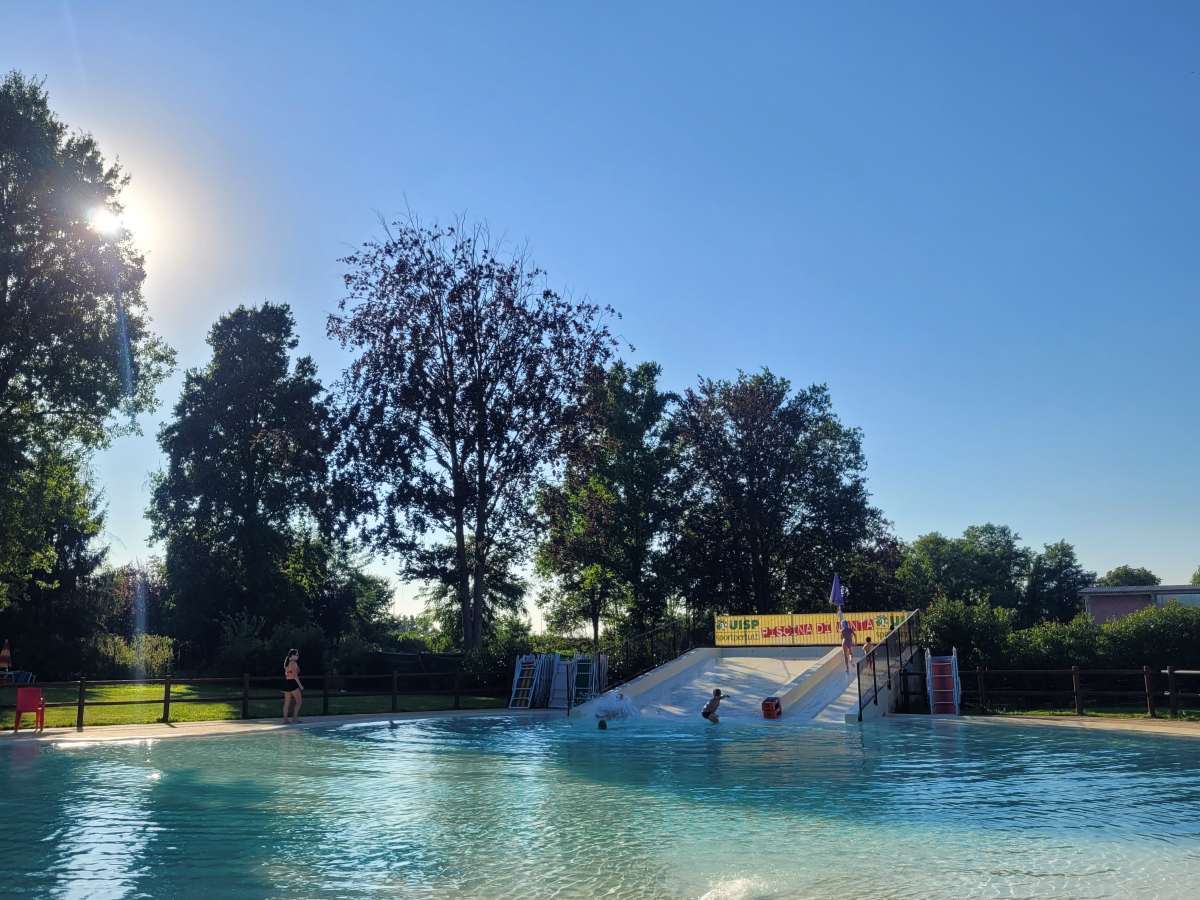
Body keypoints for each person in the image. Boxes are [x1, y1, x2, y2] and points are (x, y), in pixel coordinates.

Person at [282, 649, 304, 724]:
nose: (298, 656)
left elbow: (289, 674)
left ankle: (285, 720)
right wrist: (300, 686)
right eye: (297, 655)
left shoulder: (287, 663)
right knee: (299, 702)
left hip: (286, 683)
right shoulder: (293, 663)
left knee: (286, 703)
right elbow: (295, 676)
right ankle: (294, 718)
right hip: (293, 683)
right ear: (292, 656)